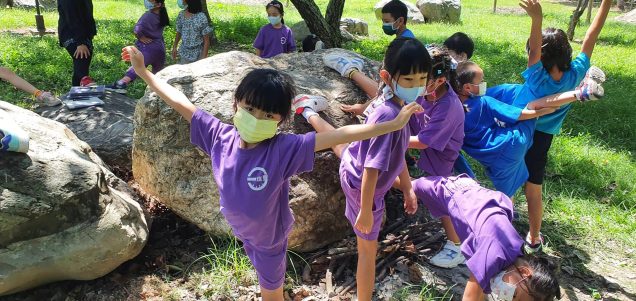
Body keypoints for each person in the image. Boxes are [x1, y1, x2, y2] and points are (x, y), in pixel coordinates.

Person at [121, 45, 422, 301]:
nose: (256, 119)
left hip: (269, 241)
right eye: (250, 109)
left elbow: (342, 135)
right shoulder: (218, 135)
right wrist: (144, 72)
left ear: (280, 120)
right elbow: (179, 101)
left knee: (271, 293)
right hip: (244, 233)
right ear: (235, 104)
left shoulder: (283, 149)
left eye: (268, 115)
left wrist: (391, 126)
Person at [295, 38, 429, 301]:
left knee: (339, 144)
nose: (417, 87)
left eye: (422, 79)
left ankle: (306, 110)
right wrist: (366, 210)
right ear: (387, 77)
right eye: (409, 80)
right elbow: (372, 169)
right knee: (368, 253)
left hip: (354, 161)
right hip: (362, 185)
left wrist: (408, 187)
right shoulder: (390, 115)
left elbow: (398, 150)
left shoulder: (395, 103)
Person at [487, 0, 611, 253]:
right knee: (534, 187)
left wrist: (537, 19)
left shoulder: (537, 74)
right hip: (543, 138)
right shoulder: (576, 72)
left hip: (520, 130)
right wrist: (606, 3)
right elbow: (591, 34)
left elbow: (534, 48)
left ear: (539, 55)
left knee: (507, 178)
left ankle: (499, 231)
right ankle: (533, 238)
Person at [456, 61, 604, 198]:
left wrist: (470, 177)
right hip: (513, 142)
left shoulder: (451, 117)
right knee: (532, 103)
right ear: (467, 87)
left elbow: (455, 152)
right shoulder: (484, 101)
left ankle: (508, 219)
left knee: (506, 196)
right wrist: (540, 113)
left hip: (494, 160)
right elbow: (520, 114)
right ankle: (580, 93)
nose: (483, 84)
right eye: (481, 82)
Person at [412, 175, 561, 301]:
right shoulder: (491, 257)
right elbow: (470, 298)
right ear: (525, 272)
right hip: (454, 191)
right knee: (405, 185)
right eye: (514, 295)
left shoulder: (516, 253)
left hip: (476, 198)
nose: (508, 298)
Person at [399, 45, 467, 269]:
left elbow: (424, 141)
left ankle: (456, 246)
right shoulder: (428, 94)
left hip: (440, 160)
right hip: (424, 155)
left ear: (438, 81)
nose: (415, 84)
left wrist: (391, 135)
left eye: (421, 79)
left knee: (440, 201)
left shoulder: (448, 106)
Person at [107, 0, 169, 93]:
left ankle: (121, 83)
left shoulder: (148, 15)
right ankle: (159, 93)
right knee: (158, 74)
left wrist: (141, 37)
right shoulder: (162, 15)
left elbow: (137, 29)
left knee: (137, 66)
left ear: (158, 4)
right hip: (160, 49)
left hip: (148, 48)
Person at [57, 0, 97, 86]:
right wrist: (81, 42)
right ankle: (83, 86)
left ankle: (77, 92)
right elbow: (72, 17)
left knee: (82, 63)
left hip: (82, 34)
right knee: (82, 59)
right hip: (72, 35)